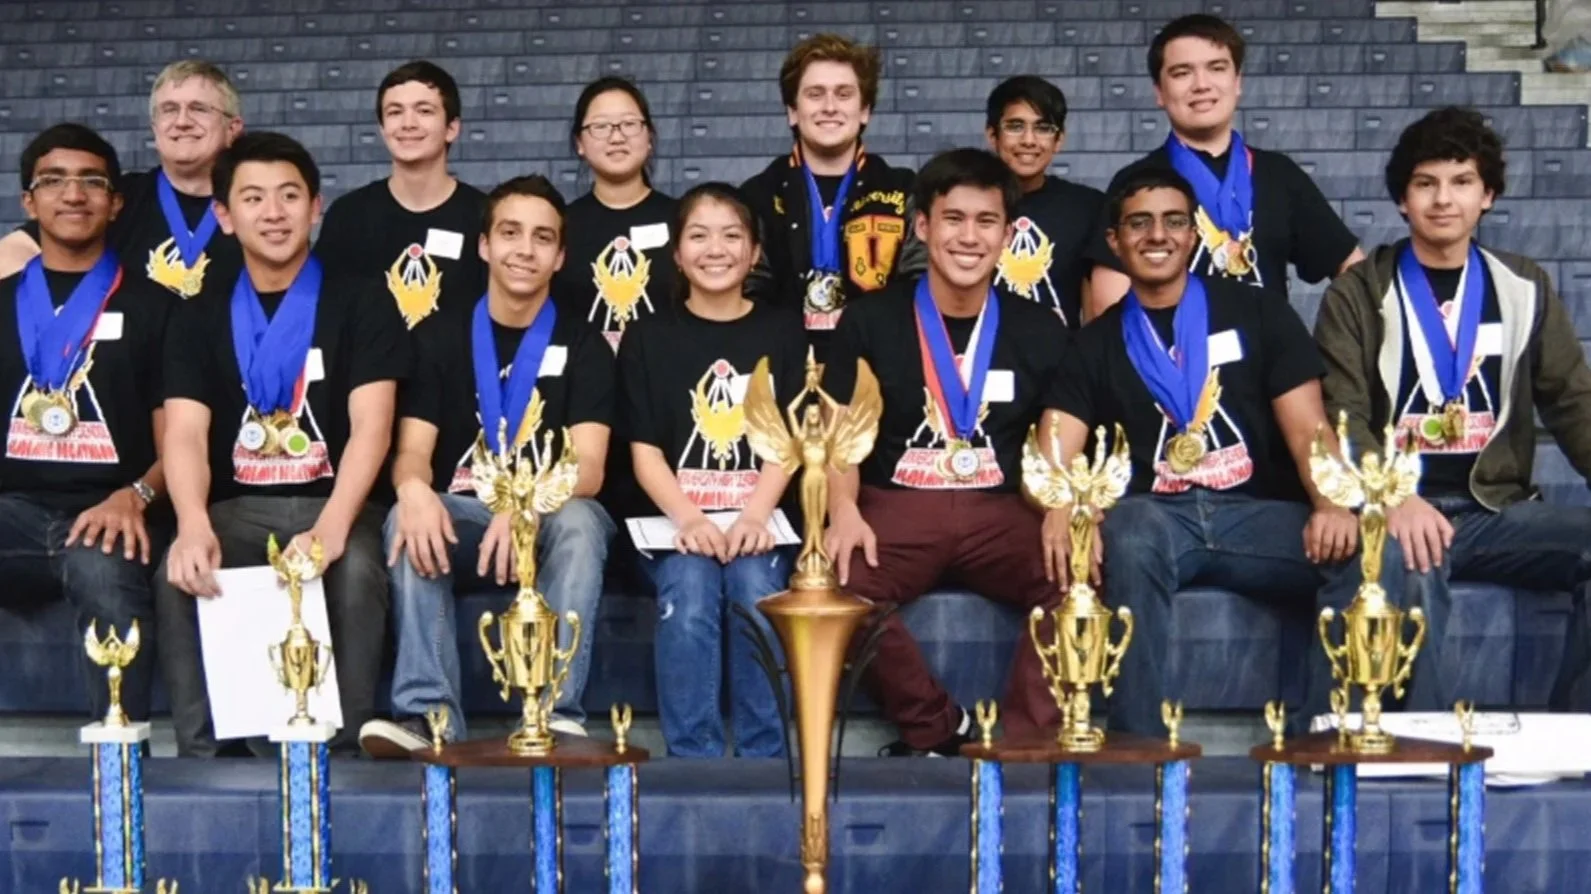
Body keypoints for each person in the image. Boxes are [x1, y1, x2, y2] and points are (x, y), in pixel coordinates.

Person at [1042, 166, 1402, 735]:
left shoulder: (1258, 313)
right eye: (1138, 223)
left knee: (1375, 556)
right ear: (1115, 241)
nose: (1156, 235)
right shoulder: (1095, 343)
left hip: (1258, 517)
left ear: (1193, 234)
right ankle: (1140, 745)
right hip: (1159, 520)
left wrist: (1333, 504)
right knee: (1128, 532)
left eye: (1173, 222)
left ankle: (1327, 734)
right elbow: (1054, 447)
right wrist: (1061, 506)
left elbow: (1309, 427)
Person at [1314, 107, 1591, 712]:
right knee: (1404, 557)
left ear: (1487, 195)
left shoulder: (1524, 286)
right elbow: (1344, 415)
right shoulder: (1357, 294)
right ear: (1403, 200)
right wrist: (1392, 501)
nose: (1444, 200)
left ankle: (1577, 728)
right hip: (1399, 510)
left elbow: (1574, 402)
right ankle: (1419, 743)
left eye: (1461, 181)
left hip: (1496, 510)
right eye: (1426, 183)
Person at [155, 132, 409, 757]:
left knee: (355, 575)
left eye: (289, 196)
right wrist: (190, 523)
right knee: (178, 572)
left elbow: (373, 426)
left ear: (316, 206)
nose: (274, 213)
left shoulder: (362, 297)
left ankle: (342, 750)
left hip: (340, 502)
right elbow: (185, 431)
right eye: (253, 198)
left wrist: (332, 527)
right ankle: (203, 753)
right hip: (238, 512)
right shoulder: (197, 310)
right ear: (224, 214)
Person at [359, 175, 616, 755]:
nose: (525, 249)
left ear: (560, 256)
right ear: (484, 246)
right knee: (407, 515)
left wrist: (523, 506)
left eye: (542, 238)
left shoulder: (584, 344)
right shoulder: (438, 335)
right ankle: (430, 716)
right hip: (464, 515)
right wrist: (412, 489)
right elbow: (412, 453)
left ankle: (555, 713)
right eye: (510, 233)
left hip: (546, 515)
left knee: (582, 519)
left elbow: (591, 467)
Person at [821, 148, 1066, 756]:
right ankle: (935, 725)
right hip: (896, 505)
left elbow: (1057, 441)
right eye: (952, 219)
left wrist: (1064, 508)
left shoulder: (1042, 328)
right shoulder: (869, 321)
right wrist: (843, 510)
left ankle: (1026, 740)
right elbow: (838, 436)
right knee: (829, 583)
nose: (969, 237)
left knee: (1079, 571)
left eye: (986, 222)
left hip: (999, 507)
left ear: (1008, 234)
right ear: (922, 227)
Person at [618, 183, 805, 758]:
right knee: (692, 587)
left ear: (753, 253)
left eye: (731, 236)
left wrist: (755, 513)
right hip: (675, 521)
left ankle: (765, 759)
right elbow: (645, 452)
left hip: (761, 518)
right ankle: (692, 760)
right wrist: (691, 518)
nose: (715, 249)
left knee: (754, 587)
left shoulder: (783, 330)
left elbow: (790, 440)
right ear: (677, 253)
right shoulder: (649, 336)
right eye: (698, 236)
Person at [0, 124, 173, 724]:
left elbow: (178, 436)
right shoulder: (1, 301)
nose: (73, 194)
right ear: (29, 201)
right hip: (14, 513)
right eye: (54, 181)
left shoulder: (157, 307)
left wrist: (138, 494)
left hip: (110, 513)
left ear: (115, 202)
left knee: (105, 575)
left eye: (91, 181)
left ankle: (121, 758)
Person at [1082, 15, 1364, 320]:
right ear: (1159, 93)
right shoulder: (1135, 182)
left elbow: (1352, 269)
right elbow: (1107, 307)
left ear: (1237, 81)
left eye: (1216, 68)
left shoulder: (1279, 174)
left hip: (1267, 362)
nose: (1201, 85)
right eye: (1181, 73)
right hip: (1175, 362)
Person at [742, 33, 923, 355]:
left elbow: (919, 284)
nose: (829, 107)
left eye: (843, 94)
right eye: (815, 94)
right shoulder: (758, 195)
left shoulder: (903, 190)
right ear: (792, 111)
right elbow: (749, 290)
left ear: (864, 110)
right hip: (782, 367)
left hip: (880, 366)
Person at [0, 60, 245, 295]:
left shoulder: (258, 199)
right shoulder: (116, 196)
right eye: (169, 110)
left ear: (232, 128)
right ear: (154, 128)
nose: (181, 122)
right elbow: (14, 250)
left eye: (198, 109)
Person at [314, 60, 487, 330]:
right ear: (383, 129)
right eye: (395, 112)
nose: (408, 123)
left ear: (452, 128)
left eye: (424, 110)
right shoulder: (348, 215)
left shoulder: (484, 215)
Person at [553, 77, 678, 353]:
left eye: (630, 124)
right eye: (600, 126)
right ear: (579, 143)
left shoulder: (683, 221)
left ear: (649, 138)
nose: (617, 136)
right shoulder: (560, 226)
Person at [984, 75, 1104, 329]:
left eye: (1043, 128)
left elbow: (1094, 310)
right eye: (1015, 126)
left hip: (1061, 363)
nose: (1029, 140)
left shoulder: (1088, 206)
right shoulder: (967, 205)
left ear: (1058, 140)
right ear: (992, 136)